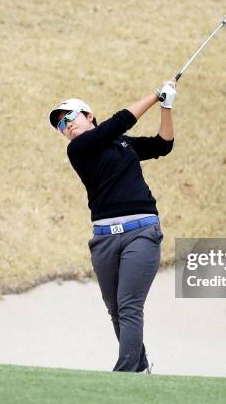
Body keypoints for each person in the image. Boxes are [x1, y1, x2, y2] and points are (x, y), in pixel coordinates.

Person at [48, 80, 177, 373]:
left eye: (69, 118)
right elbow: (119, 122)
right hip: (104, 239)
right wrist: (154, 94)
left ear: (89, 115)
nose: (66, 126)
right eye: (60, 126)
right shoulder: (79, 150)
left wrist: (166, 107)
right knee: (116, 310)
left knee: (129, 305)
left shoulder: (123, 143)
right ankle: (140, 368)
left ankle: (125, 374)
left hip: (141, 232)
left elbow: (163, 146)